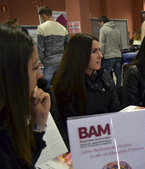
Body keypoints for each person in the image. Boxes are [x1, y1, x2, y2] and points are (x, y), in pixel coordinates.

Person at [52, 33, 121, 147]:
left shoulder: (104, 75)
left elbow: (115, 111)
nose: (100, 55)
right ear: (80, 55)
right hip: (84, 145)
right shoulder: (66, 83)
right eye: (94, 51)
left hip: (108, 139)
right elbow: (67, 127)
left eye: (99, 50)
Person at [0, 24, 50, 168]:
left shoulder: (6, 114)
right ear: (11, 74)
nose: (40, 75)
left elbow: (21, 163)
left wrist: (38, 121)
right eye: (35, 67)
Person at [37, 6, 69, 87]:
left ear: (44, 15)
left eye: (41, 17)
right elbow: (69, 44)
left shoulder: (41, 27)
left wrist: (43, 61)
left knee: (46, 86)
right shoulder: (62, 28)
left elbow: (40, 47)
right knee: (61, 84)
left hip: (49, 62)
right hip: (62, 61)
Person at [98, 15, 122, 87]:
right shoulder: (117, 30)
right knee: (118, 75)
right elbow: (120, 44)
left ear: (102, 22)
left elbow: (101, 44)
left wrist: (100, 55)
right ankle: (119, 89)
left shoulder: (103, 29)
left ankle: (111, 89)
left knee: (106, 75)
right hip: (118, 56)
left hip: (108, 57)